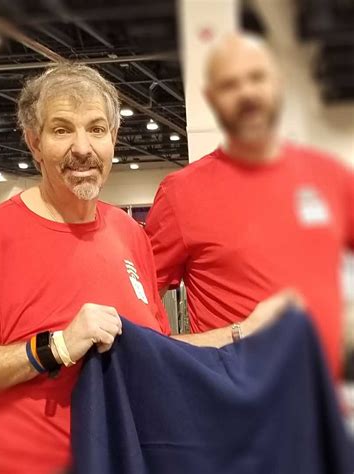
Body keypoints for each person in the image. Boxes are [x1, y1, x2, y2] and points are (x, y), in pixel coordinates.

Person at [0, 64, 299, 474]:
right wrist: (55, 348)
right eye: (62, 130)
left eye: (96, 129)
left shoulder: (128, 233)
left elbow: (156, 350)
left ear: (113, 138)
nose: (82, 148)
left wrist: (244, 331)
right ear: (34, 142)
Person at [145, 33, 354, 380]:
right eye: (230, 84)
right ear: (211, 97)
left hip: (324, 393)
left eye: (257, 78)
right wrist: (183, 357)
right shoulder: (181, 193)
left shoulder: (328, 175)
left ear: (278, 84)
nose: (246, 93)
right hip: (238, 398)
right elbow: (139, 304)